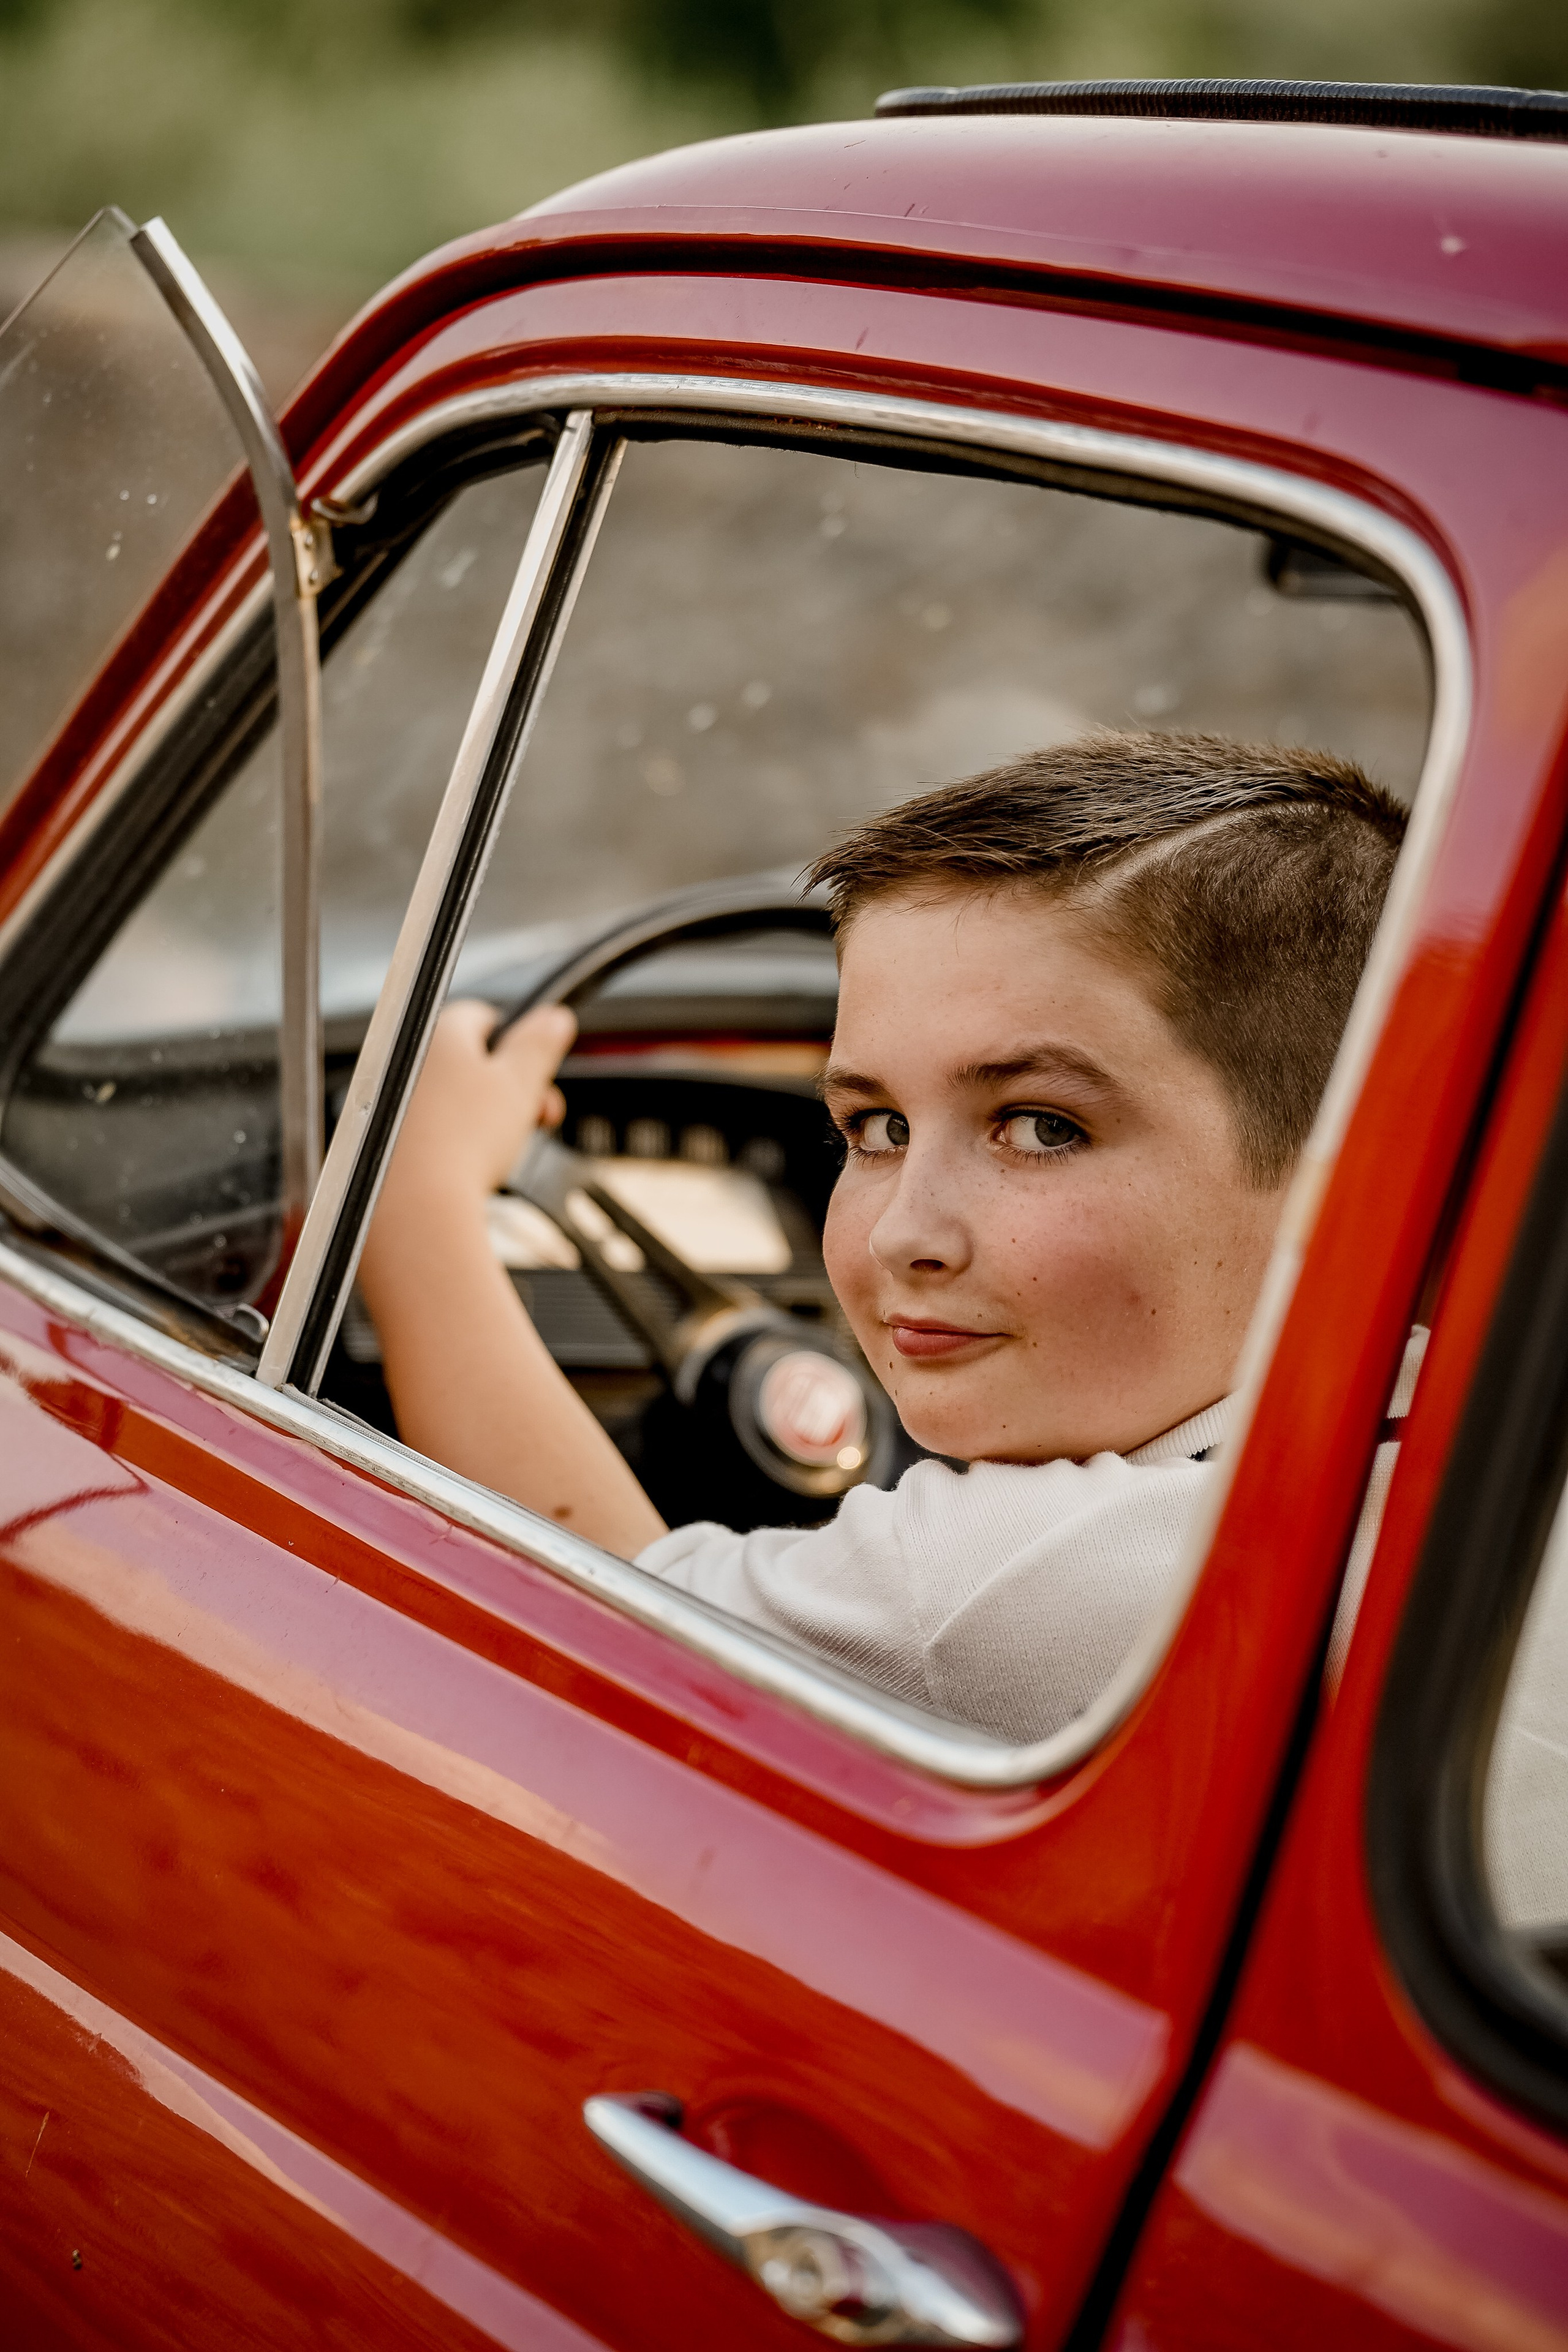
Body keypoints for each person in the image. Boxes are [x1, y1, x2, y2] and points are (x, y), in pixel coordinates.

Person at [357, 731, 1406, 1743]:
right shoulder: (1460, 1421)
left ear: (1345, 1185)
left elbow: (600, 1613)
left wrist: (417, 1212)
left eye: (1041, 1128)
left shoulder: (1019, 1582)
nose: (905, 1235)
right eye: (877, 1129)